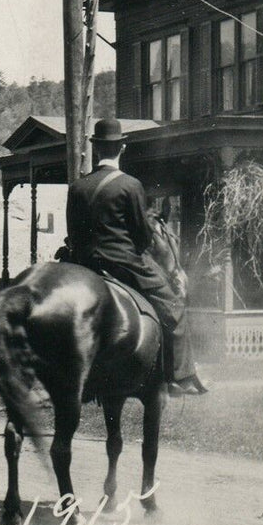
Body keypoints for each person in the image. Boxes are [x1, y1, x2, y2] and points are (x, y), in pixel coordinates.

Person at [66, 117, 205, 396]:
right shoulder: (130, 185)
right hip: (123, 263)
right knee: (174, 309)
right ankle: (181, 376)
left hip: (82, 265)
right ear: (122, 148)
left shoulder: (77, 187)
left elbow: (73, 233)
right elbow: (142, 236)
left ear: (95, 149)